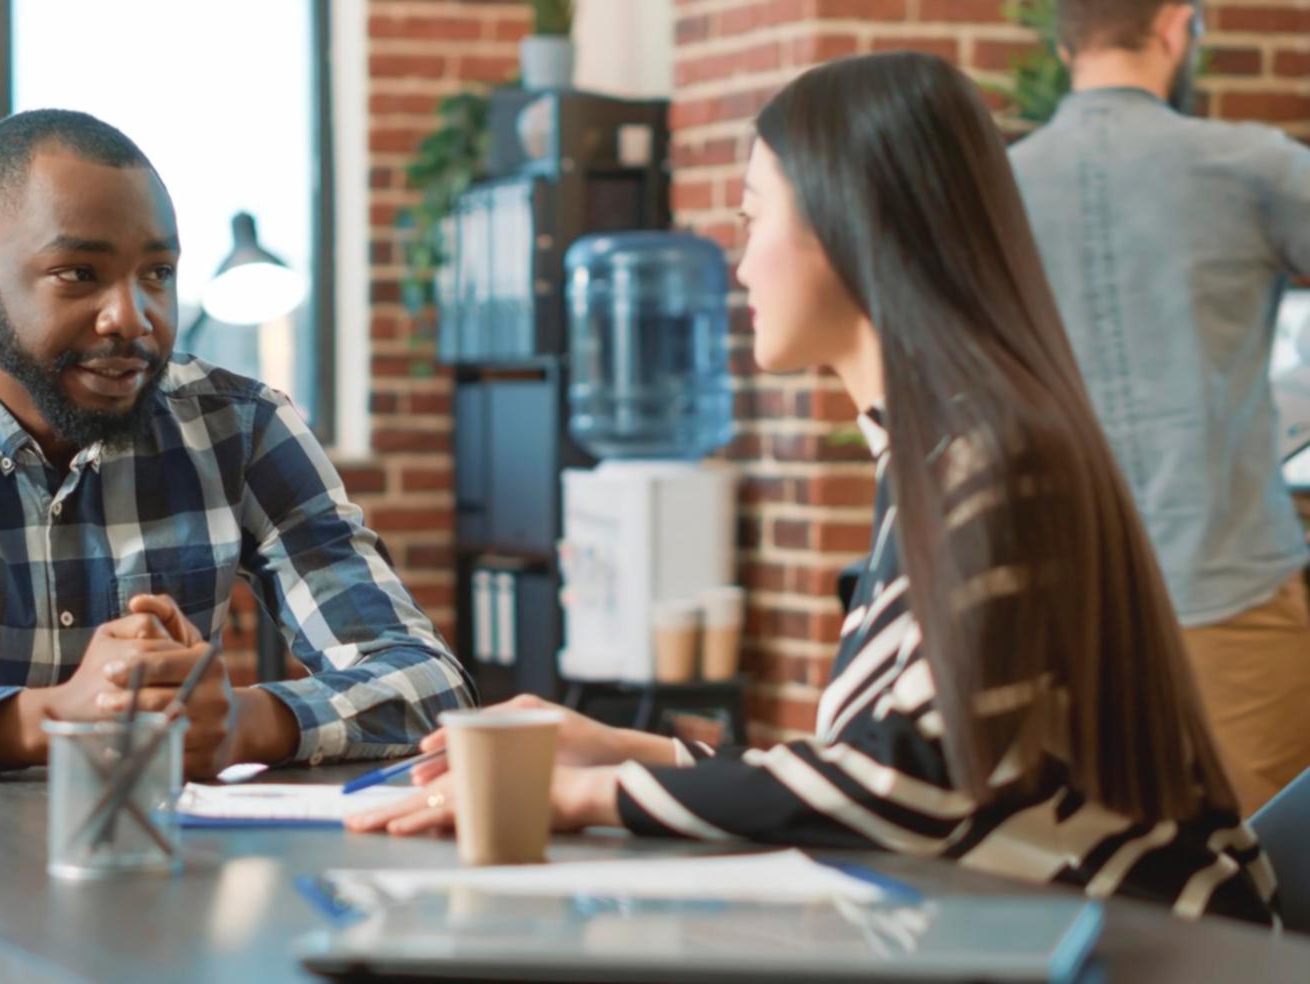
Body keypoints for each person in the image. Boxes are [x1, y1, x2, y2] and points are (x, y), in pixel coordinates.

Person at [351, 52, 1279, 926]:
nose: (741, 264)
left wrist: (591, 792)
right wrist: (628, 748)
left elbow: (918, 781)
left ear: (848, 221)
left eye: (755, 220)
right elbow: (880, 771)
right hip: (1061, 928)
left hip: (1156, 946)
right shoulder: (943, 452)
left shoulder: (996, 457)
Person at [0, 109, 472, 783]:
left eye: (158, 274)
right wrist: (42, 718)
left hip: (159, 883)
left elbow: (429, 683)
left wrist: (245, 722)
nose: (130, 318)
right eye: (79, 274)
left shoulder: (242, 428)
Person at [1008, 0, 1310, 816]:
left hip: (1055, 611)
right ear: (1177, 26)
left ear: (1065, 38)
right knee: (1274, 886)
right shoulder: (1252, 165)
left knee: (1100, 871)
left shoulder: (997, 187)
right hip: (1230, 591)